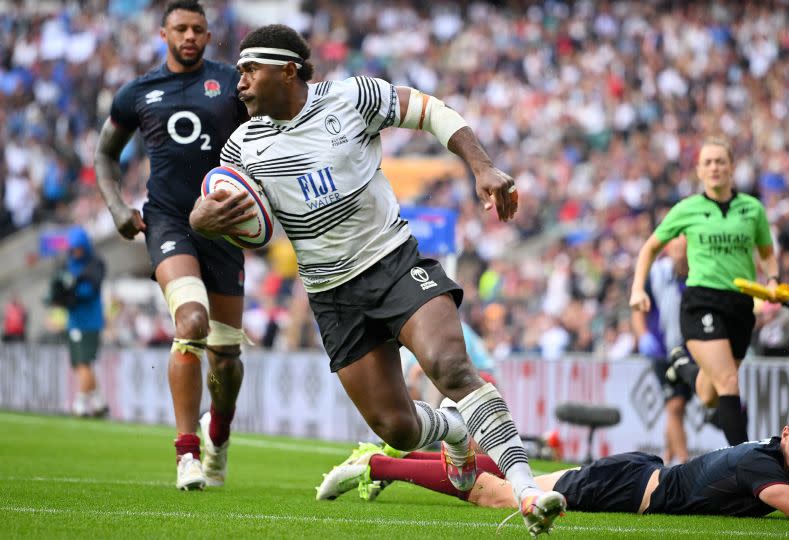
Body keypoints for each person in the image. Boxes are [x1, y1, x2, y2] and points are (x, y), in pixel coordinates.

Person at [188, 24, 564, 535]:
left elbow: (432, 111)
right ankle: (453, 428)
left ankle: (526, 490)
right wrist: (201, 221)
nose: (241, 83)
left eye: (251, 70)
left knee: (451, 366)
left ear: (287, 71)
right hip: (330, 295)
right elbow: (222, 214)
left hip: (392, 262)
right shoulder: (241, 147)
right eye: (239, 72)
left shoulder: (351, 97)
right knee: (397, 428)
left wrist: (482, 167)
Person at [319, 404, 789, 526]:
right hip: (624, 485)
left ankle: (396, 459)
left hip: (637, 478)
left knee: (519, 480)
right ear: (786, 435)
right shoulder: (769, 471)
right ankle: (380, 464)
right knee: (499, 494)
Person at [94, 0, 249, 490]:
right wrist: (118, 207)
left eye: (198, 29)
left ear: (208, 35)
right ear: (163, 34)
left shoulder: (232, 83)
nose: (189, 36)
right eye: (180, 28)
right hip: (167, 222)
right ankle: (186, 453)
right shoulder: (138, 92)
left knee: (225, 356)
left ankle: (218, 435)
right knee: (192, 324)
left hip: (224, 226)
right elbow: (104, 153)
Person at [630, 136, 780, 447]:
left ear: (731, 168)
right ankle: (747, 463)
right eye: (708, 162)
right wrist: (637, 290)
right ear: (699, 170)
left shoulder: (752, 210)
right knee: (728, 381)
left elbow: (766, 252)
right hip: (701, 303)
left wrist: (774, 279)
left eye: (720, 161)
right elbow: (650, 248)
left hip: (740, 306)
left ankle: (683, 368)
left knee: (710, 393)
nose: (714, 167)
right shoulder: (688, 209)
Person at [631, 236, 692, 464]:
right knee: (675, 405)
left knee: (678, 407)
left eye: (684, 245)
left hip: (690, 352)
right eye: (676, 244)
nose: (680, 249)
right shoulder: (656, 273)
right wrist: (643, 335)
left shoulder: (698, 274)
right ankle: (685, 462)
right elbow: (638, 306)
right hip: (661, 352)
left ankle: (667, 457)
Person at [48, 227, 108, 417]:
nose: (76, 251)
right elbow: (61, 289)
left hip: (89, 322)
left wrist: (71, 291)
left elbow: (89, 291)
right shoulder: (67, 264)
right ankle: (98, 402)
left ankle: (80, 403)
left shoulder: (94, 264)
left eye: (78, 247)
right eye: (73, 248)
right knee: (81, 364)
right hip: (74, 320)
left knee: (84, 363)